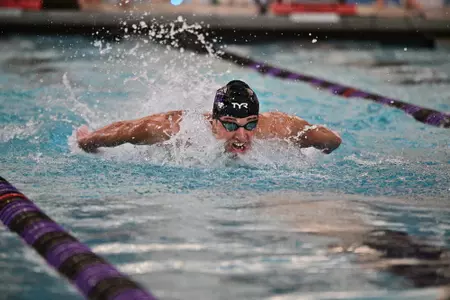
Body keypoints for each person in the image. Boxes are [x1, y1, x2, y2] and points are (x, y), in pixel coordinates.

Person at [76, 80, 342, 155]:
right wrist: (89, 141)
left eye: (250, 124)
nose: (242, 135)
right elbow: (127, 129)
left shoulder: (277, 126)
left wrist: (325, 148)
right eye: (230, 125)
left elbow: (331, 139)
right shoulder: (179, 129)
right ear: (214, 121)